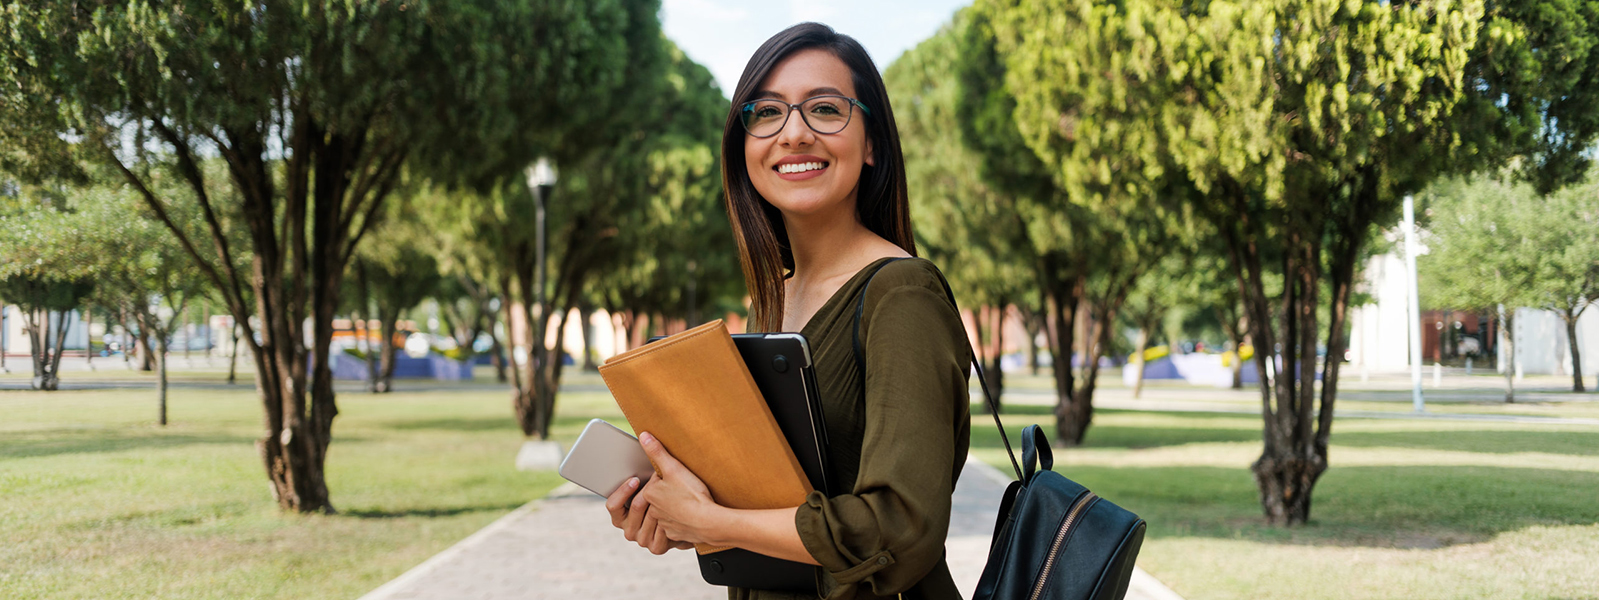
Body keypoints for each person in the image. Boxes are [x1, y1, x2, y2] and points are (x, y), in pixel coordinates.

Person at [603, 22, 972, 600]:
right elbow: (777, 503)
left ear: (872, 143)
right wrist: (680, 514)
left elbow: (901, 530)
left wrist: (714, 523)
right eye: (767, 112)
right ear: (743, 144)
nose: (794, 133)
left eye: (825, 109)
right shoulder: (774, 298)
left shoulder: (902, 293)